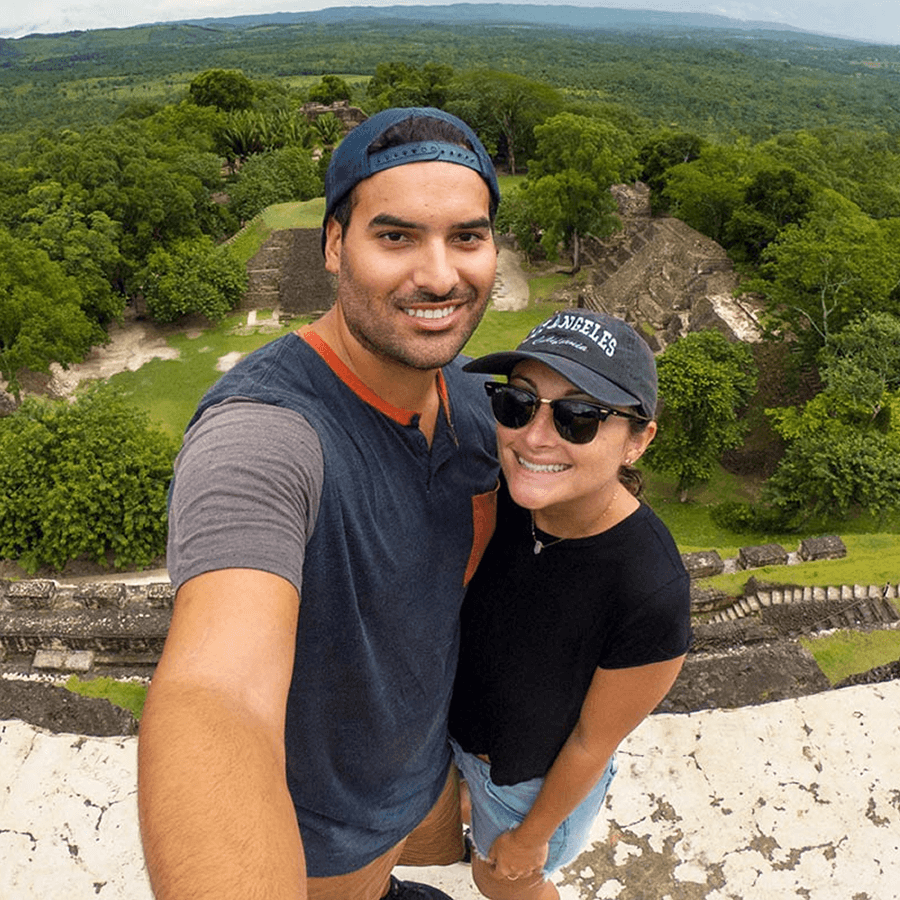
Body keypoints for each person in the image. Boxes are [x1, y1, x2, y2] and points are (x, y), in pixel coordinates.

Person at [137, 107, 502, 900]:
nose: (440, 276)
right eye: (396, 237)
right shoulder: (264, 438)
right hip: (324, 834)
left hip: (424, 771)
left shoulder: (477, 398)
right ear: (335, 244)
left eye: (467, 237)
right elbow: (214, 692)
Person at [448, 309, 693, 900]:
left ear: (638, 440)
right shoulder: (507, 496)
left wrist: (532, 836)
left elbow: (593, 741)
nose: (534, 437)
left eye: (579, 417)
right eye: (518, 404)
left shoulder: (650, 589)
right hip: (465, 743)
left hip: (530, 789)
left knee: (500, 882)